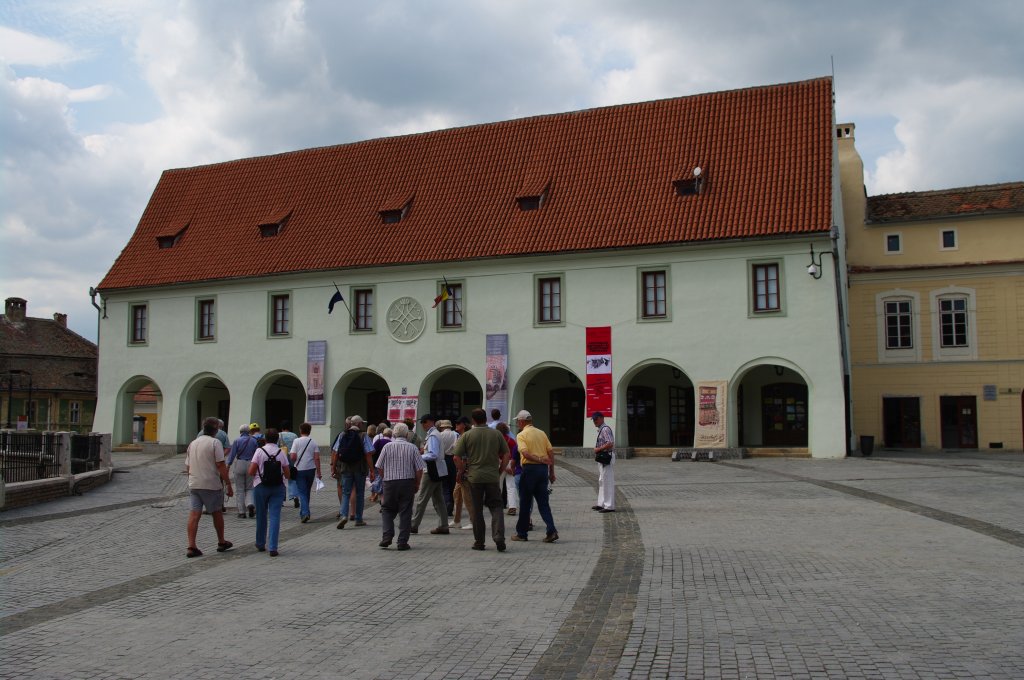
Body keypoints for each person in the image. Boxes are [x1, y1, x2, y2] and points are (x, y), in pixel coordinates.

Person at [453, 408, 510, 551]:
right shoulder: (496, 434)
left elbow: (456, 457)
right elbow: (506, 454)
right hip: (492, 476)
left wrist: (461, 470)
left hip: (474, 477)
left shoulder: (467, 435)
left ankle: (479, 542)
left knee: (477, 510)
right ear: (486, 418)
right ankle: (498, 537)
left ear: (473, 420)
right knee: (496, 507)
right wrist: (500, 470)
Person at [185, 417, 234, 557]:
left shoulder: (193, 443)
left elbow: (188, 466)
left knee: (194, 515)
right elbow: (220, 464)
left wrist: (192, 478)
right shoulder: (215, 443)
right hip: (211, 484)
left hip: (194, 484)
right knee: (217, 513)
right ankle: (221, 541)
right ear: (216, 430)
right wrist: (228, 484)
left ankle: (191, 545)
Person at [374, 422, 423, 550]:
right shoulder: (412, 448)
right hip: (407, 482)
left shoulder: (387, 447)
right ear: (407, 434)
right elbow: (419, 469)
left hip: (390, 482)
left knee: (387, 510)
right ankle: (402, 542)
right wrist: (417, 483)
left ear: (394, 433)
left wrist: (385, 477)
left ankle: (387, 536)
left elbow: (379, 466)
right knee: (405, 512)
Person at [512, 410, 558, 543]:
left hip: (530, 469)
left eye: (517, 421)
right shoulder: (541, 433)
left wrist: (538, 459)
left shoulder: (521, 435)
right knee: (543, 503)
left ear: (522, 421)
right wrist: (551, 472)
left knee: (525, 503)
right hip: (542, 471)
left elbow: (525, 453)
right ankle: (551, 530)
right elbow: (551, 453)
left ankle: (522, 533)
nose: (517, 424)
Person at [247, 428, 290, 556]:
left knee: (261, 515)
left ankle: (260, 543)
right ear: (277, 439)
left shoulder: (259, 451)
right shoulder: (281, 453)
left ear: (265, 439)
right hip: (278, 487)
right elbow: (287, 474)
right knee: (275, 516)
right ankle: (273, 547)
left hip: (261, 486)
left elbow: (251, 471)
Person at [331, 415, 375, 529]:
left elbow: (335, 452)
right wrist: (372, 470)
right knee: (360, 493)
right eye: (362, 423)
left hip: (345, 468)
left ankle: (344, 515)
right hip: (360, 468)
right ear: (359, 424)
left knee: (346, 493)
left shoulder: (342, 434)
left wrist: (333, 467)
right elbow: (368, 454)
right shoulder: (364, 435)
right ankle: (358, 519)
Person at [410, 413, 450, 535]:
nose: (422, 424)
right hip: (438, 470)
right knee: (439, 500)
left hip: (431, 470)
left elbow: (433, 454)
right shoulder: (435, 434)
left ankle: (413, 525)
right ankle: (443, 525)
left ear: (430, 422)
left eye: (424, 422)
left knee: (422, 499)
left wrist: (419, 456)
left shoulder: (433, 435)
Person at [289, 422, 321, 523]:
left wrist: (291, 459)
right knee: (307, 491)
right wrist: (319, 472)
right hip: (311, 469)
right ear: (309, 431)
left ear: (300, 430)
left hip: (299, 469)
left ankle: (305, 513)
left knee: (302, 492)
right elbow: (317, 458)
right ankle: (305, 512)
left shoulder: (296, 441)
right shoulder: (313, 442)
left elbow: (293, 456)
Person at [226, 423, 259, 518]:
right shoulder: (254, 440)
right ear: (249, 431)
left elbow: (232, 455)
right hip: (251, 463)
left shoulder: (236, 440)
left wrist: (228, 465)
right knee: (250, 487)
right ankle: (250, 504)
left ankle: (241, 512)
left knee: (240, 489)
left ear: (240, 432)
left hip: (240, 463)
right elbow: (257, 454)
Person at [451, 416, 476, 530]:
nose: (456, 424)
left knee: (467, 497)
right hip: (462, 469)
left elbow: (463, 457)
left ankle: (473, 521)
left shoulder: (465, 437)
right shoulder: (461, 436)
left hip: (464, 470)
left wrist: (461, 471)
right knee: (457, 495)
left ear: (464, 425)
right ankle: (457, 520)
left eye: (458, 423)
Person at [591, 412, 615, 513]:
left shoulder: (605, 429)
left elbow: (610, 443)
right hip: (603, 457)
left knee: (607, 481)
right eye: (593, 420)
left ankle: (609, 506)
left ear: (601, 418)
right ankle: (601, 503)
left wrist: (598, 449)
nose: (594, 421)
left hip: (606, 457)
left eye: (596, 419)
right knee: (602, 480)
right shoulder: (602, 429)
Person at [496, 422, 520, 515]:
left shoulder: (496, 440)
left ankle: (497, 506)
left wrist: (503, 466)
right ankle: (512, 507)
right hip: (511, 463)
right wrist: (513, 467)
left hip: (500, 463)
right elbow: (515, 455)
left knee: (498, 486)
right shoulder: (512, 440)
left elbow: (495, 454)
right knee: (511, 486)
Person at [436, 419, 458, 517]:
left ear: (442, 427)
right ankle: (452, 505)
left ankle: (446, 504)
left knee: (444, 485)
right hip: (453, 460)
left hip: (443, 459)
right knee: (452, 484)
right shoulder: (456, 434)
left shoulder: (440, 435)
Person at [279, 421, 299, 508]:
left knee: (281, 479)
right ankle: (295, 496)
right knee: (293, 478)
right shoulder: (294, 435)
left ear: (282, 428)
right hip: (291, 459)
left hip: (281, 459)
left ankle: (281, 500)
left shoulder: (279, 435)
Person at [370, 427, 392, 503]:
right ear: (391, 435)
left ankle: (376, 494)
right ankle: (382, 497)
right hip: (387, 466)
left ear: (383, 434)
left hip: (377, 464)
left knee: (377, 479)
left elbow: (372, 452)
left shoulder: (378, 441)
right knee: (384, 481)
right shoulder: (392, 443)